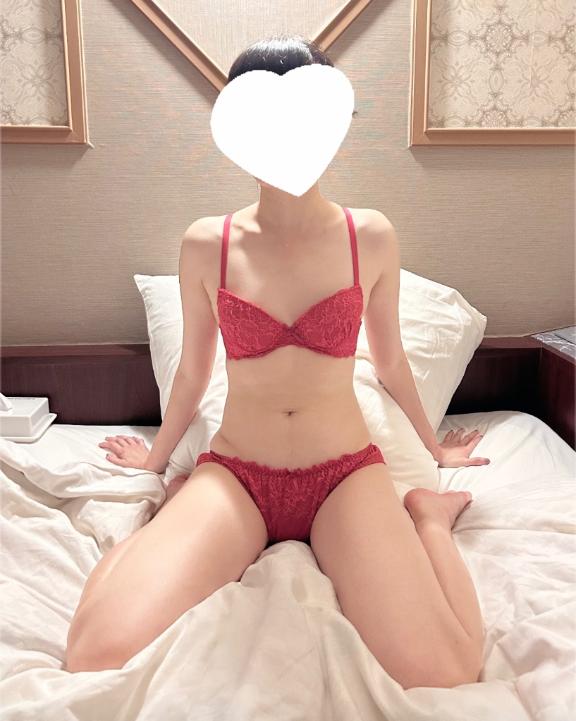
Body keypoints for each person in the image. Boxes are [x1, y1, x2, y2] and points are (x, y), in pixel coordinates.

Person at [64, 34, 487, 688]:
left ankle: (430, 518)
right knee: (93, 651)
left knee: (449, 669)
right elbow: (193, 374)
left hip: (343, 475)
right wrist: (155, 464)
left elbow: (392, 363)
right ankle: (174, 505)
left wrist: (436, 452)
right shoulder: (207, 243)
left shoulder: (370, 236)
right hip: (239, 475)